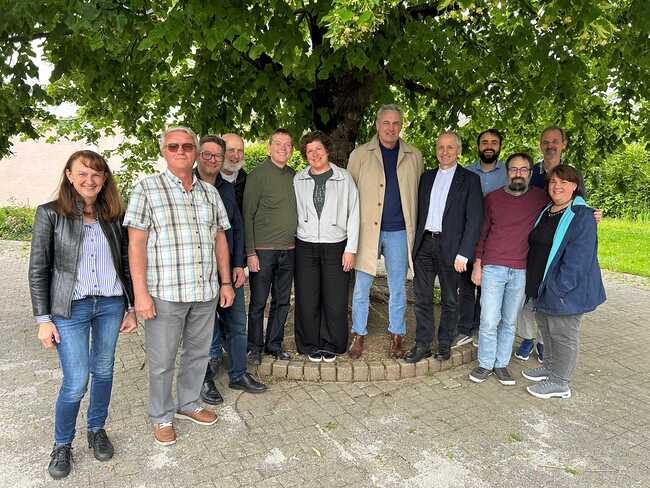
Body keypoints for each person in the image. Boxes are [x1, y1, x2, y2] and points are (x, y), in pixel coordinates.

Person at [28, 150, 137, 479]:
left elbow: (125, 264)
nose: (90, 180)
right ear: (69, 175)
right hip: (69, 309)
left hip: (110, 305)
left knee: (103, 371)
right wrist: (42, 320)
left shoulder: (114, 215)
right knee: (76, 381)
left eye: (96, 174)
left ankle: (96, 429)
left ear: (104, 179)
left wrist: (131, 307)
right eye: (83, 173)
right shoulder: (50, 214)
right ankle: (62, 444)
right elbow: (38, 269)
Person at [124, 127, 234, 447]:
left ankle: (188, 404)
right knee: (161, 361)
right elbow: (136, 245)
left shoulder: (210, 193)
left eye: (188, 146)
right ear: (164, 151)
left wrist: (225, 282)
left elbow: (220, 241)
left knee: (198, 354)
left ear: (196, 152)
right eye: (173, 146)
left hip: (204, 291)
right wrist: (140, 294)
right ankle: (161, 416)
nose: (181, 151)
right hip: (166, 294)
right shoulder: (146, 189)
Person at [522, 165, 606, 399]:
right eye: (553, 182)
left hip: (565, 290)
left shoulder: (583, 216)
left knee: (564, 335)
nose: (557, 186)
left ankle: (560, 382)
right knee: (546, 329)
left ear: (575, 186)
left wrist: (559, 289)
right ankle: (549, 367)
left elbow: (578, 261)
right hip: (543, 285)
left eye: (564, 182)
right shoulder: (549, 210)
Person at [347, 104, 424, 359]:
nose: (391, 128)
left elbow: (418, 195)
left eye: (396, 123)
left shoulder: (414, 155)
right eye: (386, 123)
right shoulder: (359, 155)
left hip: (400, 230)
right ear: (377, 125)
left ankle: (397, 334)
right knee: (362, 285)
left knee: (398, 286)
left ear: (401, 126)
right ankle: (358, 334)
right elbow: (350, 196)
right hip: (367, 231)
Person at [195, 135, 266, 405]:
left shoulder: (225, 188)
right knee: (202, 329)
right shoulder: (185, 185)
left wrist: (239, 264)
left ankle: (238, 374)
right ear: (199, 156)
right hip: (199, 272)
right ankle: (205, 380)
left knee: (237, 324)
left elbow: (235, 228)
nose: (213, 160)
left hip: (229, 271)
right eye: (207, 155)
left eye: (218, 156)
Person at [467, 153, 549, 385]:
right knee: (489, 319)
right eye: (514, 169)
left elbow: (567, 204)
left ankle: (501, 364)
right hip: (493, 266)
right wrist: (478, 265)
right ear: (507, 172)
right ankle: (485, 364)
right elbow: (482, 233)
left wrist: (591, 213)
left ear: (530, 174)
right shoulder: (492, 199)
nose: (518, 173)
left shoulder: (540, 198)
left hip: (522, 269)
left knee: (509, 321)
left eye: (524, 170)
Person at [405, 131, 483, 363]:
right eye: (440, 147)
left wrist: (465, 253)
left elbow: (475, 219)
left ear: (458, 151)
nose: (445, 152)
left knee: (450, 299)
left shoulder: (469, 180)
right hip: (425, 245)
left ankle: (445, 343)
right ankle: (423, 344)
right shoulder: (426, 178)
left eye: (450, 147)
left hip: (452, 249)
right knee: (422, 298)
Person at [293, 131, 359, 362]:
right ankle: (309, 343)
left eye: (318, 149)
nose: (314, 154)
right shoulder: (298, 179)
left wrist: (350, 248)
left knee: (335, 298)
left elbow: (354, 213)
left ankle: (332, 343)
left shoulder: (344, 178)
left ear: (327, 150)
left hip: (336, 245)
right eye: (309, 151)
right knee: (307, 297)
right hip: (305, 244)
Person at [243, 128, 297, 363]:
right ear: (269, 148)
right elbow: (248, 215)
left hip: (290, 250)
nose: (283, 149)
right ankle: (254, 347)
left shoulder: (296, 176)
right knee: (258, 302)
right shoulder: (257, 175)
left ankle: (273, 345)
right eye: (278, 144)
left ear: (292, 150)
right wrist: (250, 252)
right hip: (263, 253)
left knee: (282, 301)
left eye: (287, 145)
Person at [457, 129, 508, 346]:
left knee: (487, 287)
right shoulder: (466, 172)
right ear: (478, 147)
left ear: (499, 146)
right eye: (485, 142)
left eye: (494, 142)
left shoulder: (508, 173)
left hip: (496, 240)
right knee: (466, 285)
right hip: (469, 236)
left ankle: (480, 328)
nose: (489, 146)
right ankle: (464, 329)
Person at [221, 133, 247, 211]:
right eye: (231, 150)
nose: (236, 156)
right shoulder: (207, 179)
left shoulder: (248, 181)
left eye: (240, 151)